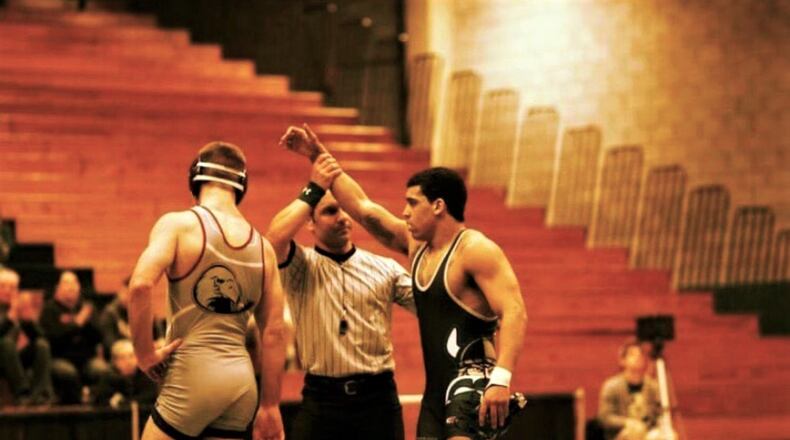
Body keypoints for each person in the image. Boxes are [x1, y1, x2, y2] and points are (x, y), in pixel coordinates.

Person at [280, 125, 528, 440]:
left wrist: (501, 379)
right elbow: (365, 211)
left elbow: (515, 311)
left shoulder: (476, 250)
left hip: (472, 382)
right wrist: (317, 156)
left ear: (438, 206)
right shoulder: (418, 247)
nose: (404, 212)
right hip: (436, 395)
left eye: (413, 203)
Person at [129, 141, 286, 440]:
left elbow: (139, 285)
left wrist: (144, 354)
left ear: (194, 180)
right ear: (241, 187)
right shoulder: (263, 248)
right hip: (241, 384)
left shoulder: (178, 225)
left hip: (192, 376)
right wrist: (270, 405)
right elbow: (275, 331)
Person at [265, 139, 416, 440]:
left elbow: (432, 303)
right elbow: (273, 239)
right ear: (311, 223)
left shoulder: (384, 267)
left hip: (378, 400)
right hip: (322, 400)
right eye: (330, 211)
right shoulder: (300, 266)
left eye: (344, 210)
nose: (343, 218)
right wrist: (313, 189)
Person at [40, 270, 108, 404]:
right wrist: (76, 324)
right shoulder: (49, 310)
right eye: (66, 283)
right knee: (67, 373)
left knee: (102, 370)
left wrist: (87, 324)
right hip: (60, 358)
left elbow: (99, 337)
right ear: (57, 289)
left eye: (74, 283)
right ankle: (76, 407)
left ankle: (96, 407)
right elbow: (52, 338)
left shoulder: (88, 308)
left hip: (87, 359)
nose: (71, 287)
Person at [598, 340, 673, 440]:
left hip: (648, 432)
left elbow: (659, 414)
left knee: (667, 436)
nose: (637, 358)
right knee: (636, 431)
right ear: (622, 360)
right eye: (632, 355)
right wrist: (627, 422)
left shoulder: (652, 386)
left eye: (640, 355)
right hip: (622, 434)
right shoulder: (612, 386)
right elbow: (604, 417)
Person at [0, 268, 54, 405]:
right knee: (6, 343)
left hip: (12, 358)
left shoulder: (17, 307)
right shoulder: (10, 312)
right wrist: (9, 319)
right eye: (3, 286)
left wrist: (29, 322)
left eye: (12, 288)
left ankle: (40, 395)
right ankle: (22, 394)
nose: (8, 291)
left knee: (41, 345)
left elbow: (41, 337)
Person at [99, 276, 166, 359]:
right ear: (120, 292)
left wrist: (158, 344)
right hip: (120, 357)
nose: (128, 297)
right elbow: (111, 345)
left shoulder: (146, 311)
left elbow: (160, 338)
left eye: (133, 295)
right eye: (125, 293)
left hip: (144, 354)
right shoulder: (110, 313)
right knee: (128, 354)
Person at [94, 338, 158, 407]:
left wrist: (123, 402)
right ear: (115, 361)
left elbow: (150, 397)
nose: (128, 361)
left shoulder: (146, 374)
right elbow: (101, 401)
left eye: (131, 356)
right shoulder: (108, 377)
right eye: (122, 357)